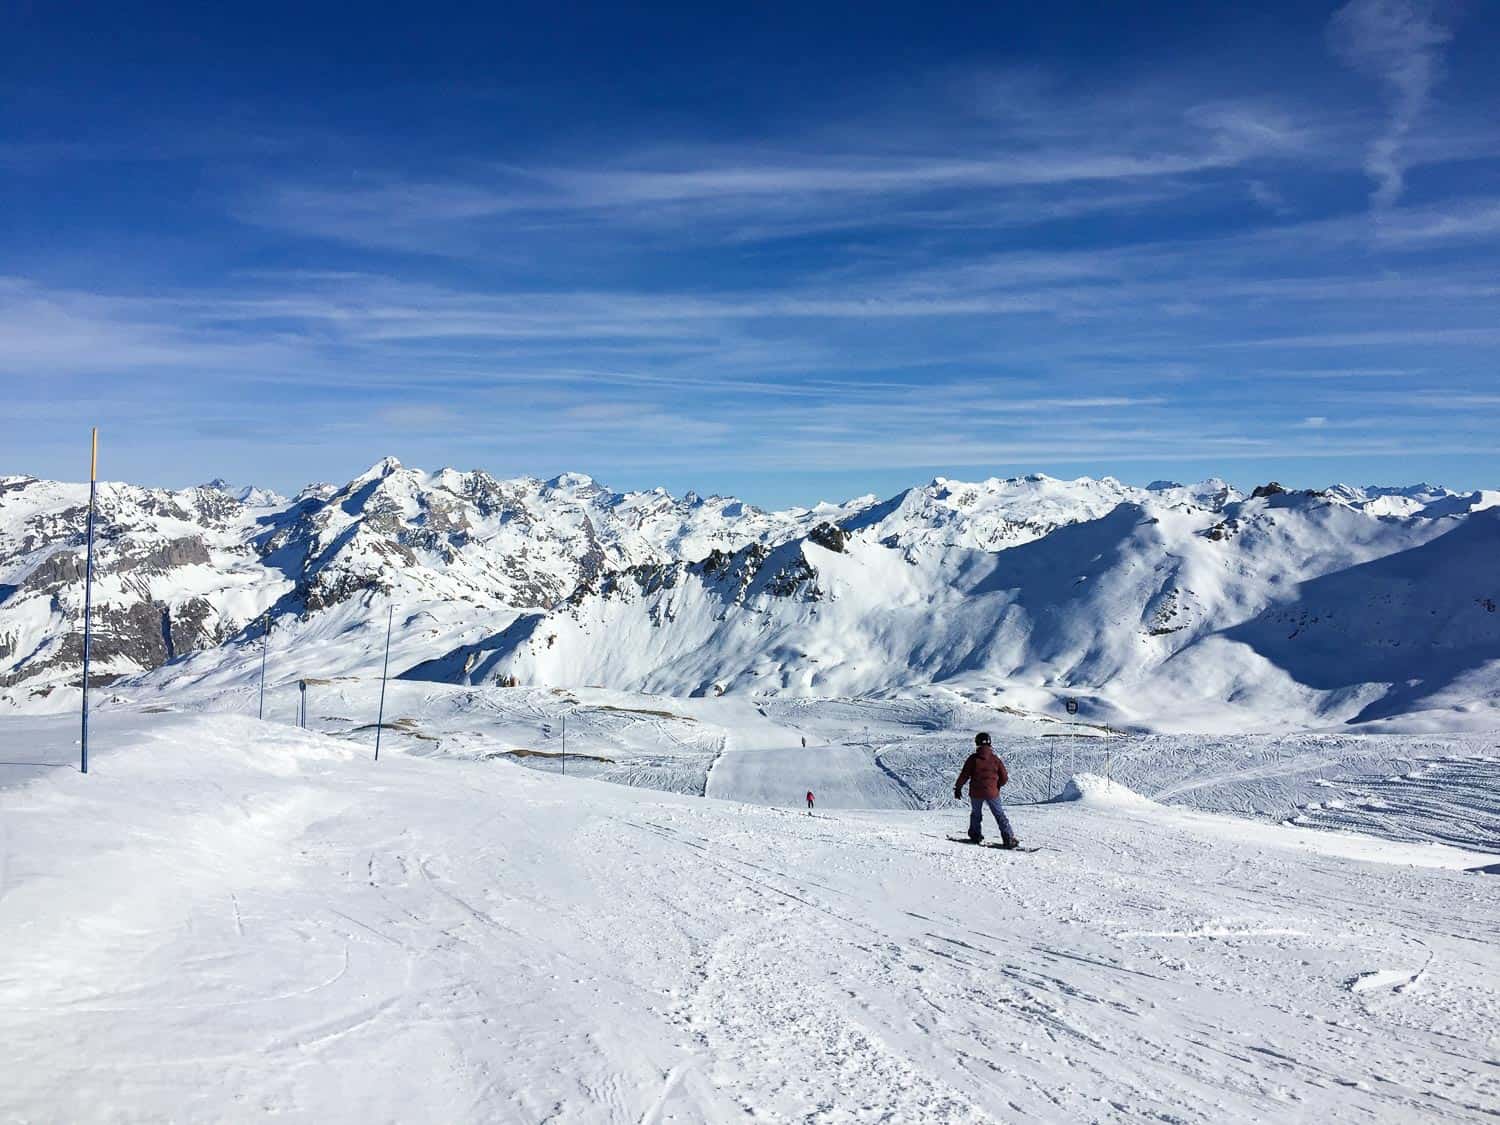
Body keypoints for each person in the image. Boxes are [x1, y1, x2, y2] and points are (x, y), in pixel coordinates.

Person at [953, 732, 1019, 848]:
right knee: (999, 815)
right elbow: (1004, 777)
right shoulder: (995, 759)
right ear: (990, 743)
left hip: (976, 792)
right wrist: (996, 786)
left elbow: (964, 775)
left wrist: (958, 788)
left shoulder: (973, 759)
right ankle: (1008, 838)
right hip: (992, 792)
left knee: (976, 814)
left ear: (977, 743)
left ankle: (975, 836)